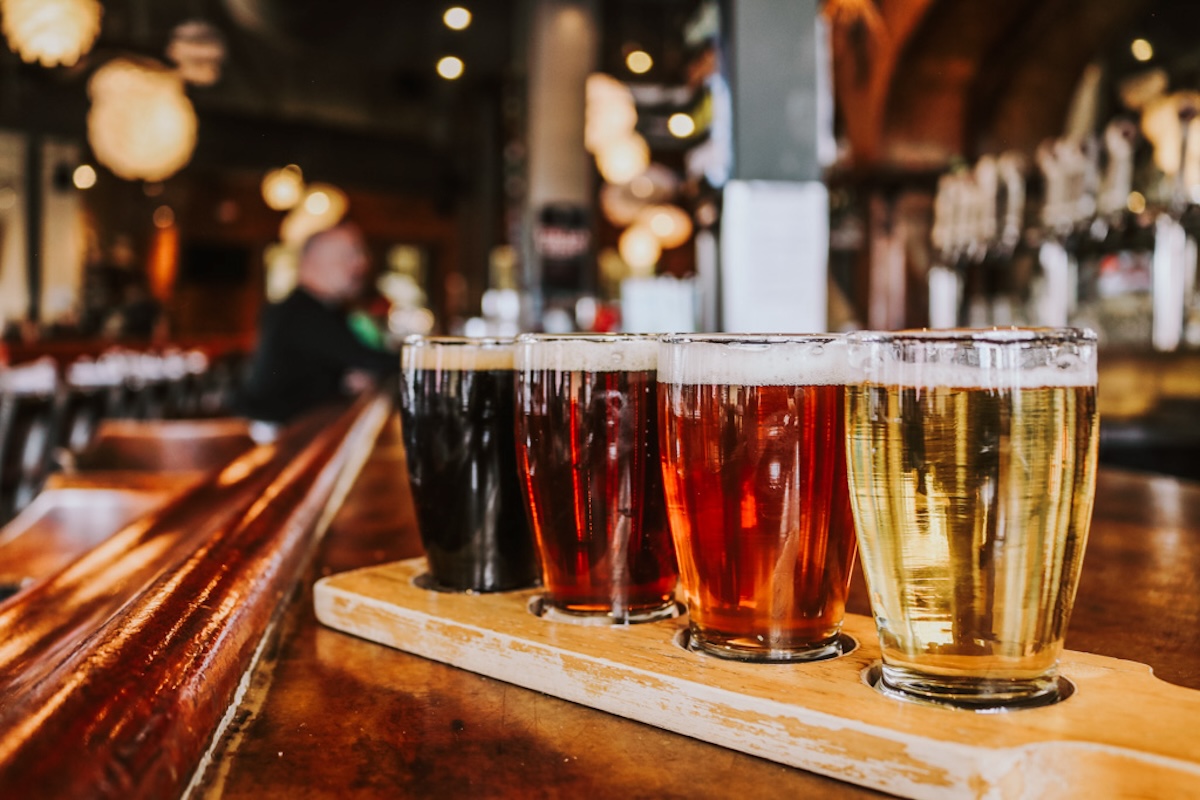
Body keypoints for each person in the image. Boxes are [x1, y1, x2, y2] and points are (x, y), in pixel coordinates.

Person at [239, 222, 398, 424]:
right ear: (312, 261)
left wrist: (343, 378)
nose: (362, 262)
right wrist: (425, 356)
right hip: (278, 435)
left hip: (299, 426)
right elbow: (371, 360)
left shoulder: (325, 309)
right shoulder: (300, 312)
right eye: (349, 255)